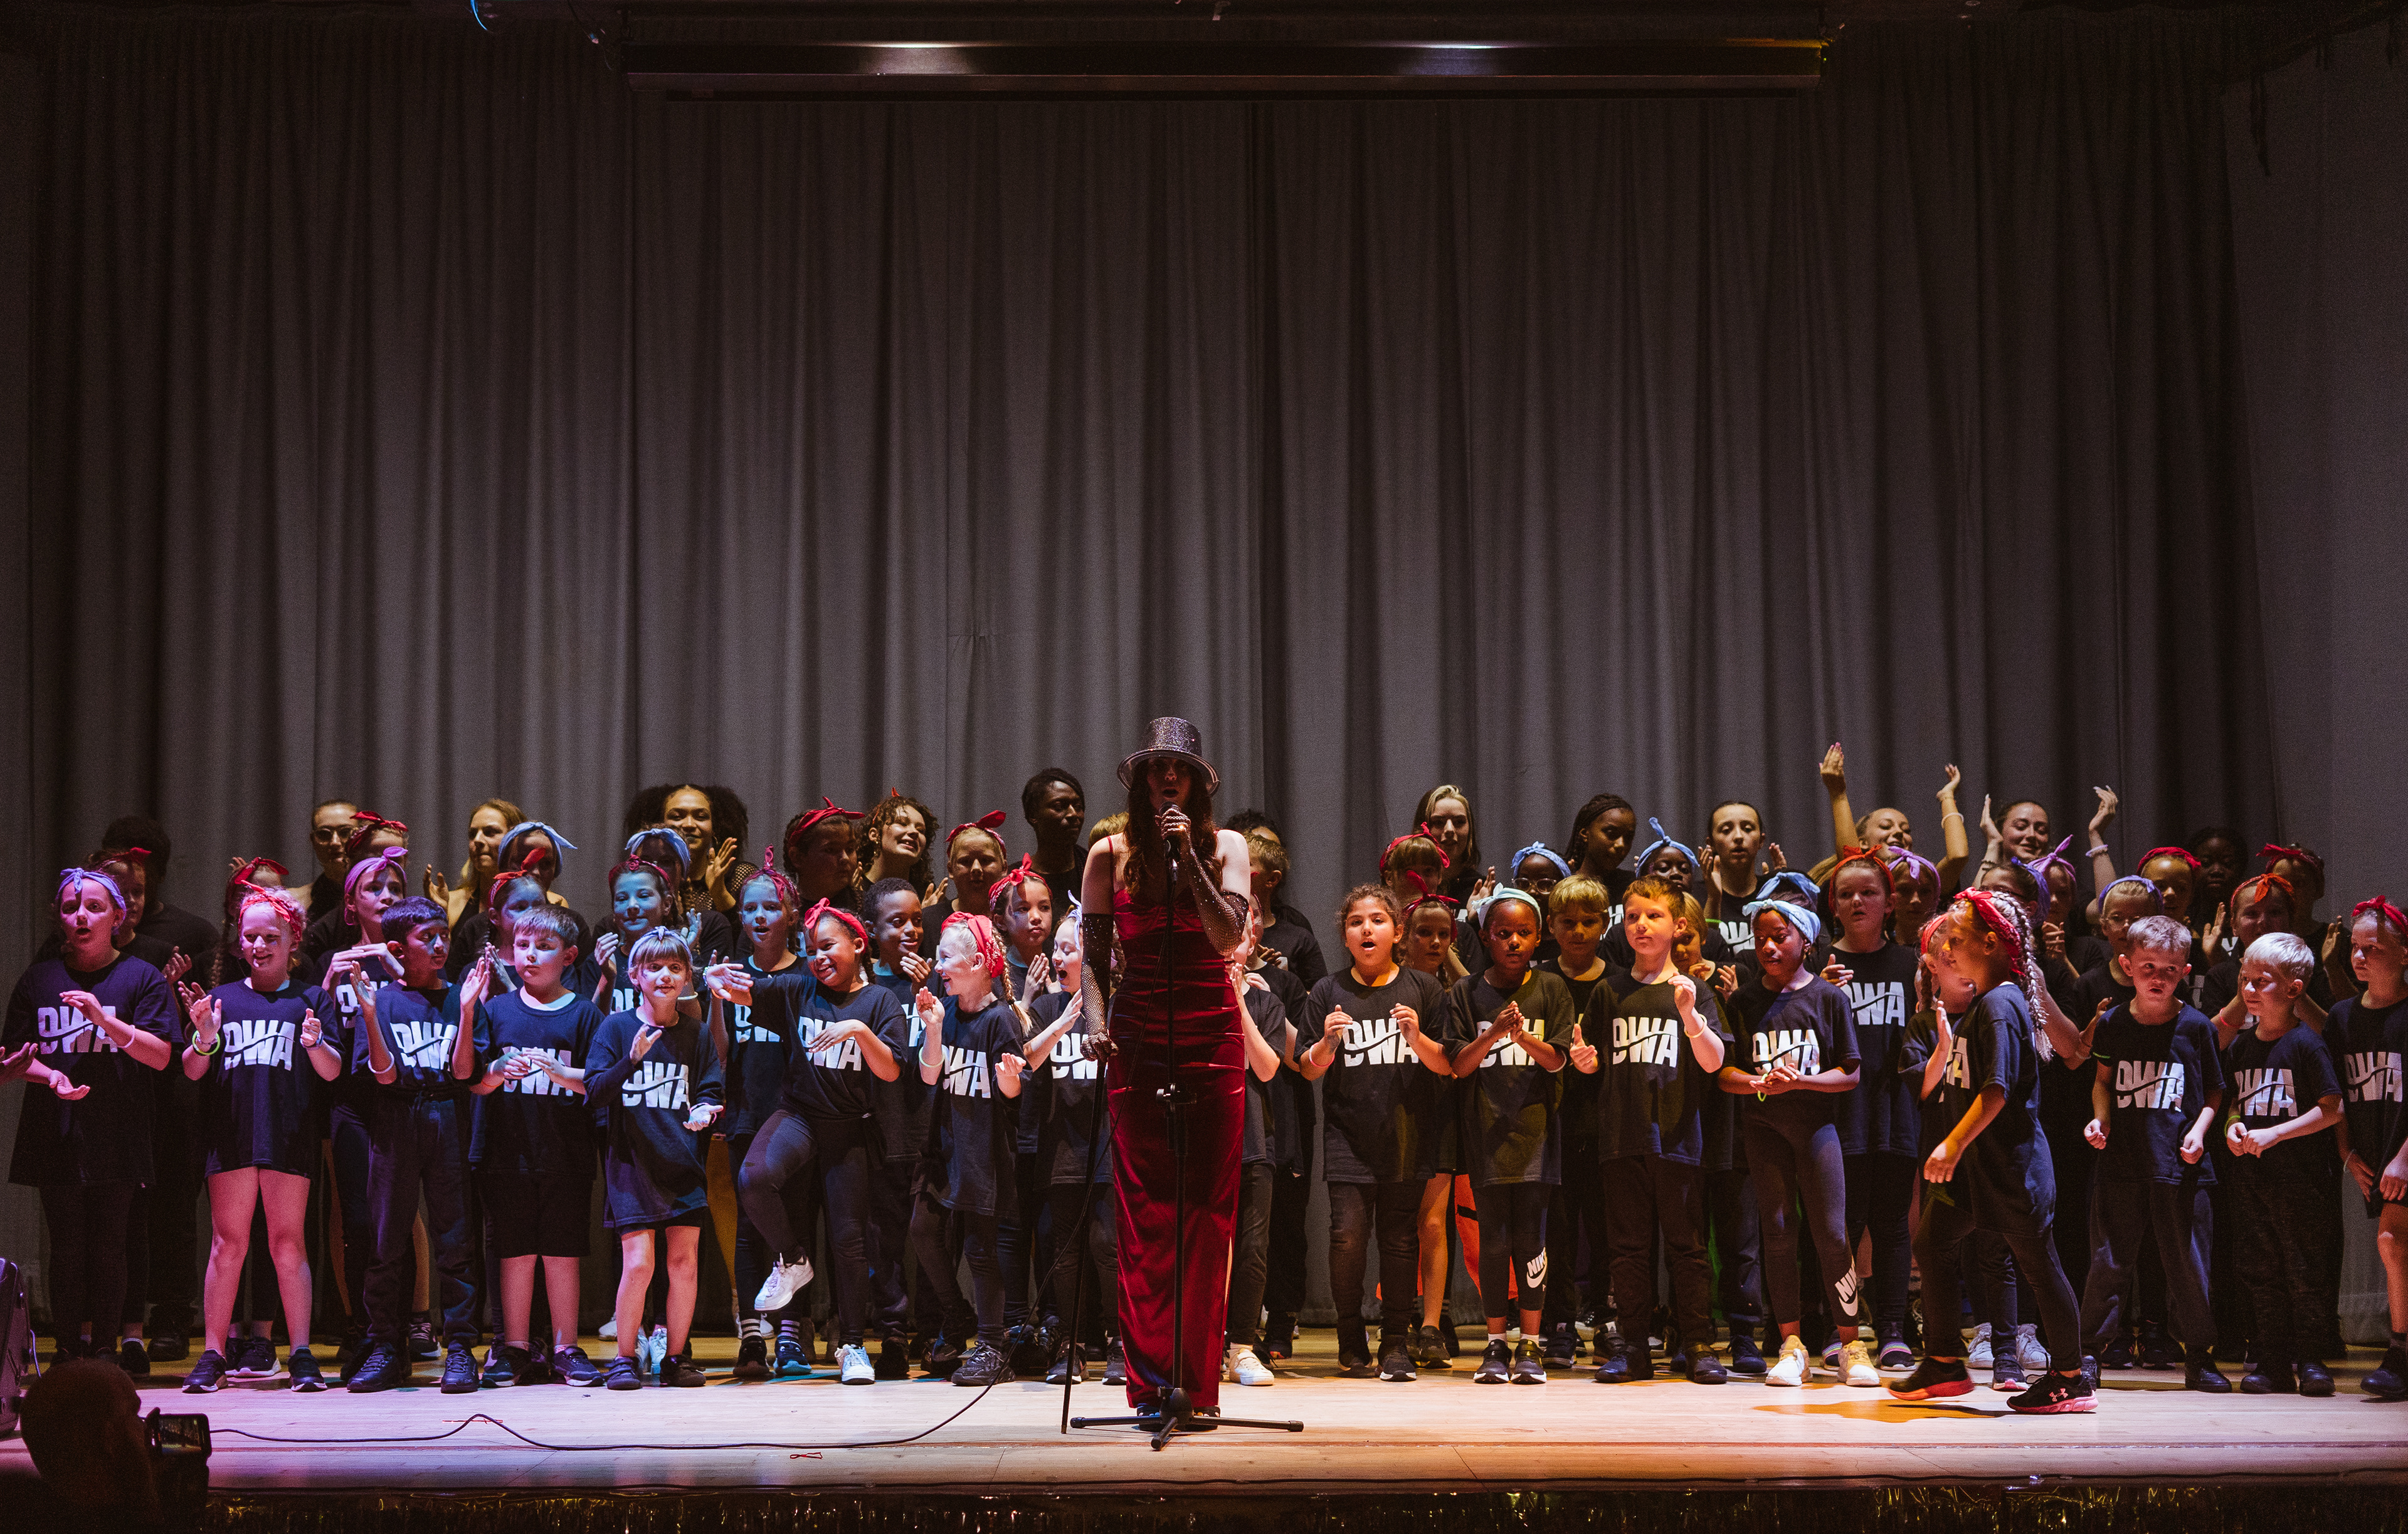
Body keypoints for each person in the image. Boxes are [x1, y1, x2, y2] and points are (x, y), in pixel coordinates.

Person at [1076, 717, 1257, 1414]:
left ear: (1199, 783)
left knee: (1208, 1212)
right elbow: (1095, 961)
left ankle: (1199, 1386)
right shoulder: (1109, 854)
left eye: (1180, 767)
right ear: (1143, 780)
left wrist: (1190, 863)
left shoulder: (1227, 847)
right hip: (1139, 1038)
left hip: (1213, 1034)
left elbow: (1227, 936)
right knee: (1146, 1212)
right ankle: (1153, 1383)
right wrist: (1095, 1024)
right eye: (1158, 767)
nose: (1169, 776)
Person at [1889, 891, 2093, 1414]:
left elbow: (1997, 1090)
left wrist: (1952, 1143)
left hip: (2012, 1170)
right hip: (1977, 1172)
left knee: (2040, 1267)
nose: (1946, 948)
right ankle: (1944, 1362)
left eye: (1956, 938)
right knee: (1932, 1241)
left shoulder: (2001, 1005)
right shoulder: (1981, 1003)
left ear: (1990, 943)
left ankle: (2071, 1377)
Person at [710, 899, 910, 1387]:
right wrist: (714, 981)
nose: (817, 957)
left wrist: (858, 1029)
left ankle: (854, 1346)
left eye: (827, 946)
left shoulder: (880, 1002)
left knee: (848, 1239)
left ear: (858, 945)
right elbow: (743, 992)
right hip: (799, 1113)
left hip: (849, 1125)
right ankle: (793, 1258)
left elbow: (891, 1070)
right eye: (811, 949)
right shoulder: (799, 988)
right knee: (753, 1178)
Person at [174, 880, 341, 1393]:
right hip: (233, 1137)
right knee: (228, 1244)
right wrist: (204, 1038)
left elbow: (332, 1070)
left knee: (288, 1245)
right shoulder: (222, 999)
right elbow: (192, 1069)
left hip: (288, 1136)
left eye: (271, 936)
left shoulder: (312, 999)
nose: (259, 945)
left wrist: (314, 1044)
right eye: (250, 937)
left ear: (293, 941)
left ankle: (302, 1353)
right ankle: (213, 1353)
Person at [6, 868, 177, 1367]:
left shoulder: (141, 977)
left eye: (94, 907)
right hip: (57, 1131)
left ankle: (104, 1349)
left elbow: (161, 1055)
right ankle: (66, 1350)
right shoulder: (39, 979)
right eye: (71, 908)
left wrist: (105, 1020)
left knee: (109, 1245)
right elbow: (17, 1055)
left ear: (118, 916)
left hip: (118, 1132)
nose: (81, 915)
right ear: (59, 917)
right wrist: (48, 1076)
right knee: (66, 1246)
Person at [1565, 877, 1726, 1382]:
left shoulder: (1693, 990)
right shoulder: (1609, 990)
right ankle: (1633, 1346)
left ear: (1677, 925)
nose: (1641, 925)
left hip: (1678, 1139)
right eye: (1632, 916)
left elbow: (1715, 1061)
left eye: (1653, 915)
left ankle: (1697, 1343)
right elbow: (1594, 1059)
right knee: (1628, 1250)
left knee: (1687, 1248)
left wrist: (1690, 1017)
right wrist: (1585, 1061)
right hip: (1621, 1138)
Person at [1293, 883, 1452, 1382]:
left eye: (1378, 920)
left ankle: (1397, 1342)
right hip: (1348, 1138)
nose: (1367, 928)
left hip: (1407, 1135)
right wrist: (1326, 1044)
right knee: (1347, 1236)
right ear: (1345, 936)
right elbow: (1307, 1067)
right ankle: (1350, 1338)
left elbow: (1446, 1064)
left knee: (1400, 1239)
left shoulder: (1424, 989)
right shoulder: (1328, 991)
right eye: (1356, 921)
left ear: (1397, 932)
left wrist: (1416, 1037)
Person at [1718, 894, 1873, 1387]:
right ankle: (1792, 1345)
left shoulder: (1828, 998)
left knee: (1832, 1235)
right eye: (1760, 938)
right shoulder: (1743, 1002)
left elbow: (1850, 1072)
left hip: (1816, 1129)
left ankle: (1851, 1344)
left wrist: (1801, 1082)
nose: (1768, 946)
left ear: (1805, 941)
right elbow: (1725, 1073)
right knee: (1778, 1231)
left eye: (1779, 936)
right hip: (1764, 1130)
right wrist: (1757, 1082)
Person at [337, 895, 490, 1393]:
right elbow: (383, 1076)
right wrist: (370, 1014)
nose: (441, 944)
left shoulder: (460, 996)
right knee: (385, 1241)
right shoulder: (382, 1000)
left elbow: (464, 1073)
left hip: (447, 1115)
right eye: (429, 937)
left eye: (444, 934)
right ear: (400, 949)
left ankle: (461, 1348)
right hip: (397, 1117)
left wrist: (467, 1011)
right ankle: (386, 1346)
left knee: (456, 1241)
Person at [2076, 914, 2227, 1392]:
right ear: (2127, 965)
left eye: (2169, 969)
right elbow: (2102, 1083)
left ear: (2185, 970)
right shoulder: (2113, 1023)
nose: (2158, 977)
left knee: (2188, 1265)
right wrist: (2101, 1119)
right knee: (2109, 1262)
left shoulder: (2196, 1026)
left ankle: (2199, 1356)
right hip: (2121, 1165)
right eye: (2148, 967)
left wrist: (2200, 1131)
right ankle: (2089, 1353)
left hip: (2181, 1168)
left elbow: (2215, 1092)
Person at [464, 904, 606, 1388]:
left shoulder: (584, 1013)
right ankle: (515, 1347)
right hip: (507, 1155)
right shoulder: (497, 1009)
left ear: (569, 956)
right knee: (515, 1252)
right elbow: (474, 1082)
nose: (529, 954)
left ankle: (566, 1347)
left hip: (566, 1154)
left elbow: (600, 1081)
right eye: (522, 944)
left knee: (562, 1252)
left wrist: (563, 1073)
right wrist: (495, 1072)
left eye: (543, 946)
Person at [1444, 888, 1573, 1385]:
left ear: (1538, 937)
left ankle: (1531, 1344)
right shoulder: (1465, 993)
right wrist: (1494, 1032)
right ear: (1485, 937)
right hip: (1486, 1136)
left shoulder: (1552, 988)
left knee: (1531, 1240)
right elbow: (1459, 1065)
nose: (1514, 941)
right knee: (1494, 1243)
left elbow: (1557, 1060)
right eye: (1503, 933)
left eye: (1524, 933)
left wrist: (1523, 1038)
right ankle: (1496, 1342)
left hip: (1537, 1136)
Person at [584, 928, 724, 1390]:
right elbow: (595, 1091)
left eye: (675, 967)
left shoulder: (696, 1033)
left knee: (684, 1264)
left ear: (687, 978)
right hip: (633, 1165)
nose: (665, 975)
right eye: (654, 967)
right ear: (635, 975)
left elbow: (710, 1088)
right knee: (640, 1264)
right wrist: (629, 1061)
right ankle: (625, 1357)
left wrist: (705, 1109)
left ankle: (676, 1357)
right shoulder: (616, 1028)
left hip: (681, 1163)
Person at [2216, 930, 2344, 1397]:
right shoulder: (2241, 1047)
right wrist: (2233, 1125)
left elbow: (2332, 1108)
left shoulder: (2307, 1044)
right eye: (2245, 979)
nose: (2249, 989)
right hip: (2252, 1181)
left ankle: (2310, 1358)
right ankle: (2271, 1359)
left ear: (2294, 989)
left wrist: (2276, 1133)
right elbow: (2236, 1101)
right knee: (2259, 1269)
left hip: (2301, 1182)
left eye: (2261, 981)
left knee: (2305, 1269)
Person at [909, 913, 1032, 1385]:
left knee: (981, 1250)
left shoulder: (1000, 1019)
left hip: (983, 1152)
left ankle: (993, 1347)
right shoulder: (945, 1010)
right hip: (943, 1148)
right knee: (923, 1229)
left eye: (946, 957)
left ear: (978, 962)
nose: (937, 965)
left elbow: (1014, 1093)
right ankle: (957, 1314)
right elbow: (928, 1076)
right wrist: (933, 1029)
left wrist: (1009, 1079)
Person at [1820, 848, 1923, 1370]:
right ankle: (1838, 1328)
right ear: (1833, 906)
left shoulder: (1911, 964)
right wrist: (1822, 998)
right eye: (1846, 894)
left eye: (1869, 892)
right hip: (1838, 1117)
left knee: (1892, 1224)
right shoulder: (1820, 967)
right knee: (1840, 1224)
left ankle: (1893, 1330)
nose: (1857, 901)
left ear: (1890, 902)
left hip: (1896, 1112)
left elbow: (1927, 1037)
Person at [1027, 917, 1123, 1385]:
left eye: (1068, 949)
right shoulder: (1047, 1008)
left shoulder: (1118, 1006)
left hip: (1108, 1146)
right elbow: (1028, 1059)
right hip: (1061, 1148)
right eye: (1057, 948)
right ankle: (1071, 1345)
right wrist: (1064, 1022)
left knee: (1107, 1246)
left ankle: (1120, 1341)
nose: (1058, 956)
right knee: (1064, 1252)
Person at [2330, 897, 2408, 1400]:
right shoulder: (2343, 1018)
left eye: (2373, 948)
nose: (2359, 957)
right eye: (2355, 948)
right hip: (2379, 1153)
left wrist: (2404, 1156)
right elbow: (2336, 1095)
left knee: (2392, 1242)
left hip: (2403, 1152)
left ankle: (2398, 1354)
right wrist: (2347, 1153)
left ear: (2404, 953)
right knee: (2395, 1244)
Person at [1534, 873, 1613, 1367]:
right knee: (1558, 1231)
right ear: (1551, 926)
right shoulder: (1540, 980)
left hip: (1607, 1125)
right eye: (1568, 922)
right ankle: (1560, 1322)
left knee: (1607, 1230)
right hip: (1554, 1124)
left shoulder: (1619, 978)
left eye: (1589, 921)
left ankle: (1607, 1318)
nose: (1578, 931)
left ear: (1605, 923)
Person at [1224, 900, 1293, 1388]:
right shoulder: (1193, 1000)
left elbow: (1266, 1067)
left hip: (1253, 1137)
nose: (1234, 944)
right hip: (1206, 1138)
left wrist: (1239, 1002)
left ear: (1252, 942)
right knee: (1208, 1247)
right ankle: (1203, 1345)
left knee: (1252, 1248)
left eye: (1243, 934)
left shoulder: (1267, 1003)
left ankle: (1241, 1347)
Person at [623, 784, 754, 916]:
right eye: (677, 817)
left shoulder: (739, 877)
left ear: (714, 827)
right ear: (659, 825)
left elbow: (752, 928)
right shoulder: (639, 877)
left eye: (701, 817)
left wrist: (720, 894)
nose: (689, 825)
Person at [430, 798, 522, 927]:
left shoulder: (545, 902)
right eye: (472, 834)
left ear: (516, 840)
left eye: (490, 833)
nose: (477, 840)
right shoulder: (451, 903)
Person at [1023, 769, 1088, 917]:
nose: (1073, 814)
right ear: (1033, 815)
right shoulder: (1015, 880)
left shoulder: (1095, 871)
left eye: (1078, 807)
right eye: (1059, 807)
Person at [929, 811, 1010, 924]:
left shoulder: (1017, 922)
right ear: (950, 870)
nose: (976, 869)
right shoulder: (928, 920)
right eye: (966, 862)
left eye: (985, 861)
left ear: (1004, 868)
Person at [857, 790, 937, 897]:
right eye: (902, 823)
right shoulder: (851, 890)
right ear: (875, 835)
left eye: (921, 830)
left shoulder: (929, 895)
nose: (914, 832)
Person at [1564, 794, 1638, 907]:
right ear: (1585, 834)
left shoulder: (1635, 887)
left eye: (1628, 837)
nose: (1621, 845)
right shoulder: (1564, 887)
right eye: (1611, 834)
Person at [1413, 784, 1482, 904]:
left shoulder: (1482, 890)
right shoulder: (1408, 886)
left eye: (1459, 822)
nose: (1450, 830)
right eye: (1439, 822)